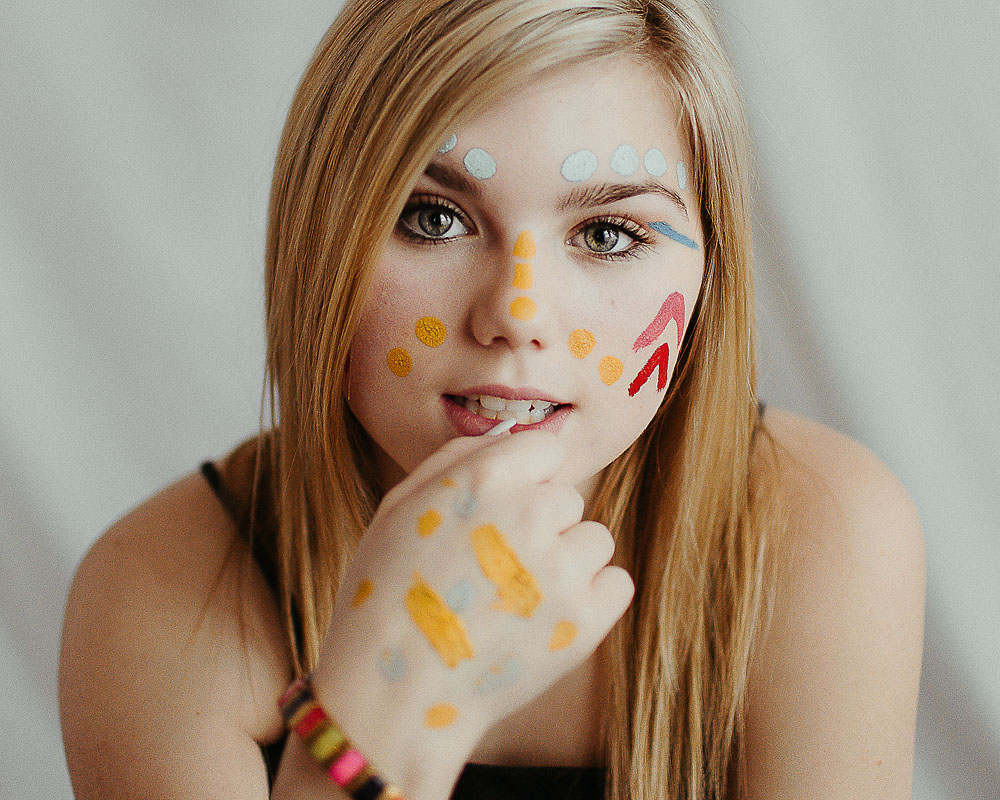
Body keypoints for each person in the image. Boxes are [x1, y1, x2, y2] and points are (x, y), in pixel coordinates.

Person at [57, 1, 926, 798]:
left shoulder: (822, 531)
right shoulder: (164, 597)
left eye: (607, 233)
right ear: (319, 237)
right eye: (433, 218)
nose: (516, 315)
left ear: (712, 271)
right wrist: (376, 708)